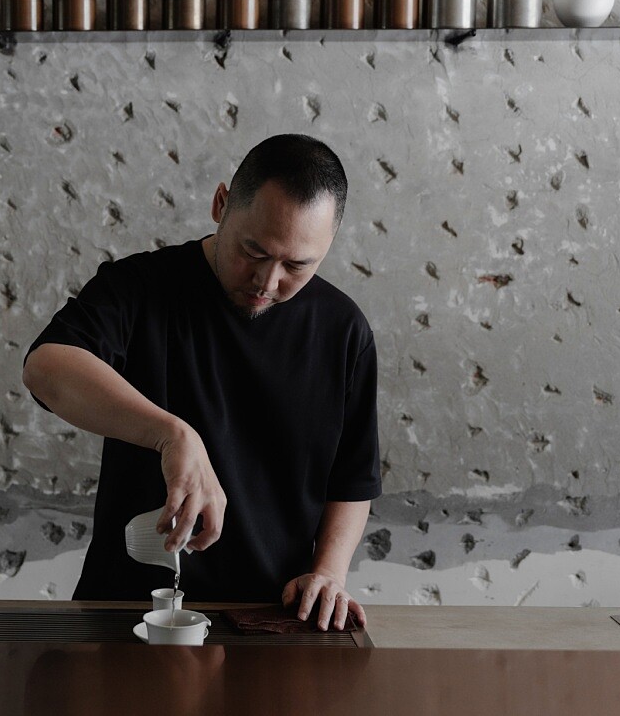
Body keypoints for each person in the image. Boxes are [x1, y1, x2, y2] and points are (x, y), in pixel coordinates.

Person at [22, 134, 381, 631]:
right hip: (127, 613)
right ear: (221, 204)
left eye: (297, 265)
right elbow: (46, 368)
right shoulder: (141, 287)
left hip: (272, 618)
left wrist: (329, 573)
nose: (267, 281)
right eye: (253, 251)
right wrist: (172, 435)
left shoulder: (344, 330)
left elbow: (352, 480)